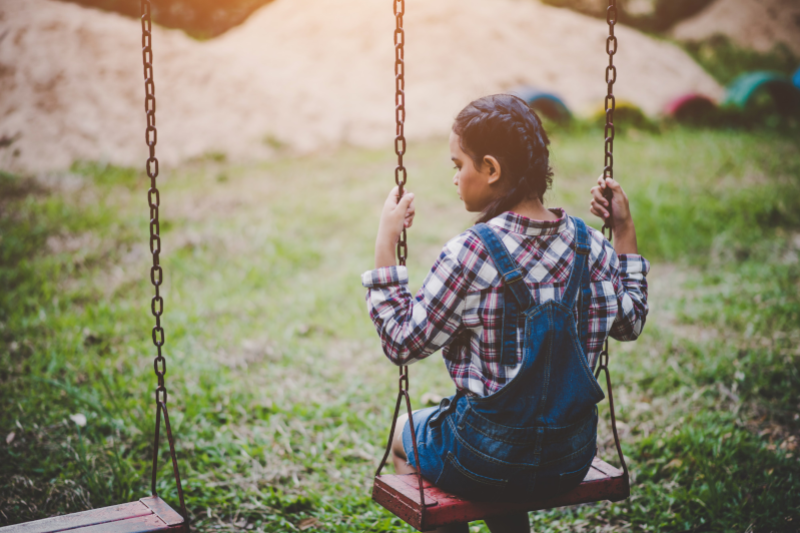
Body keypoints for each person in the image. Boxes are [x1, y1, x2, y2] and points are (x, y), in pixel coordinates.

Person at [361, 94, 649, 533]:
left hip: (483, 457)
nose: (455, 178)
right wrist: (624, 229)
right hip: (570, 456)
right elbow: (631, 323)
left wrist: (386, 240)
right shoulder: (591, 245)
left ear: (492, 170)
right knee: (503, 464)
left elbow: (402, 342)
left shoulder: (471, 252)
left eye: (459, 165)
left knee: (407, 433)